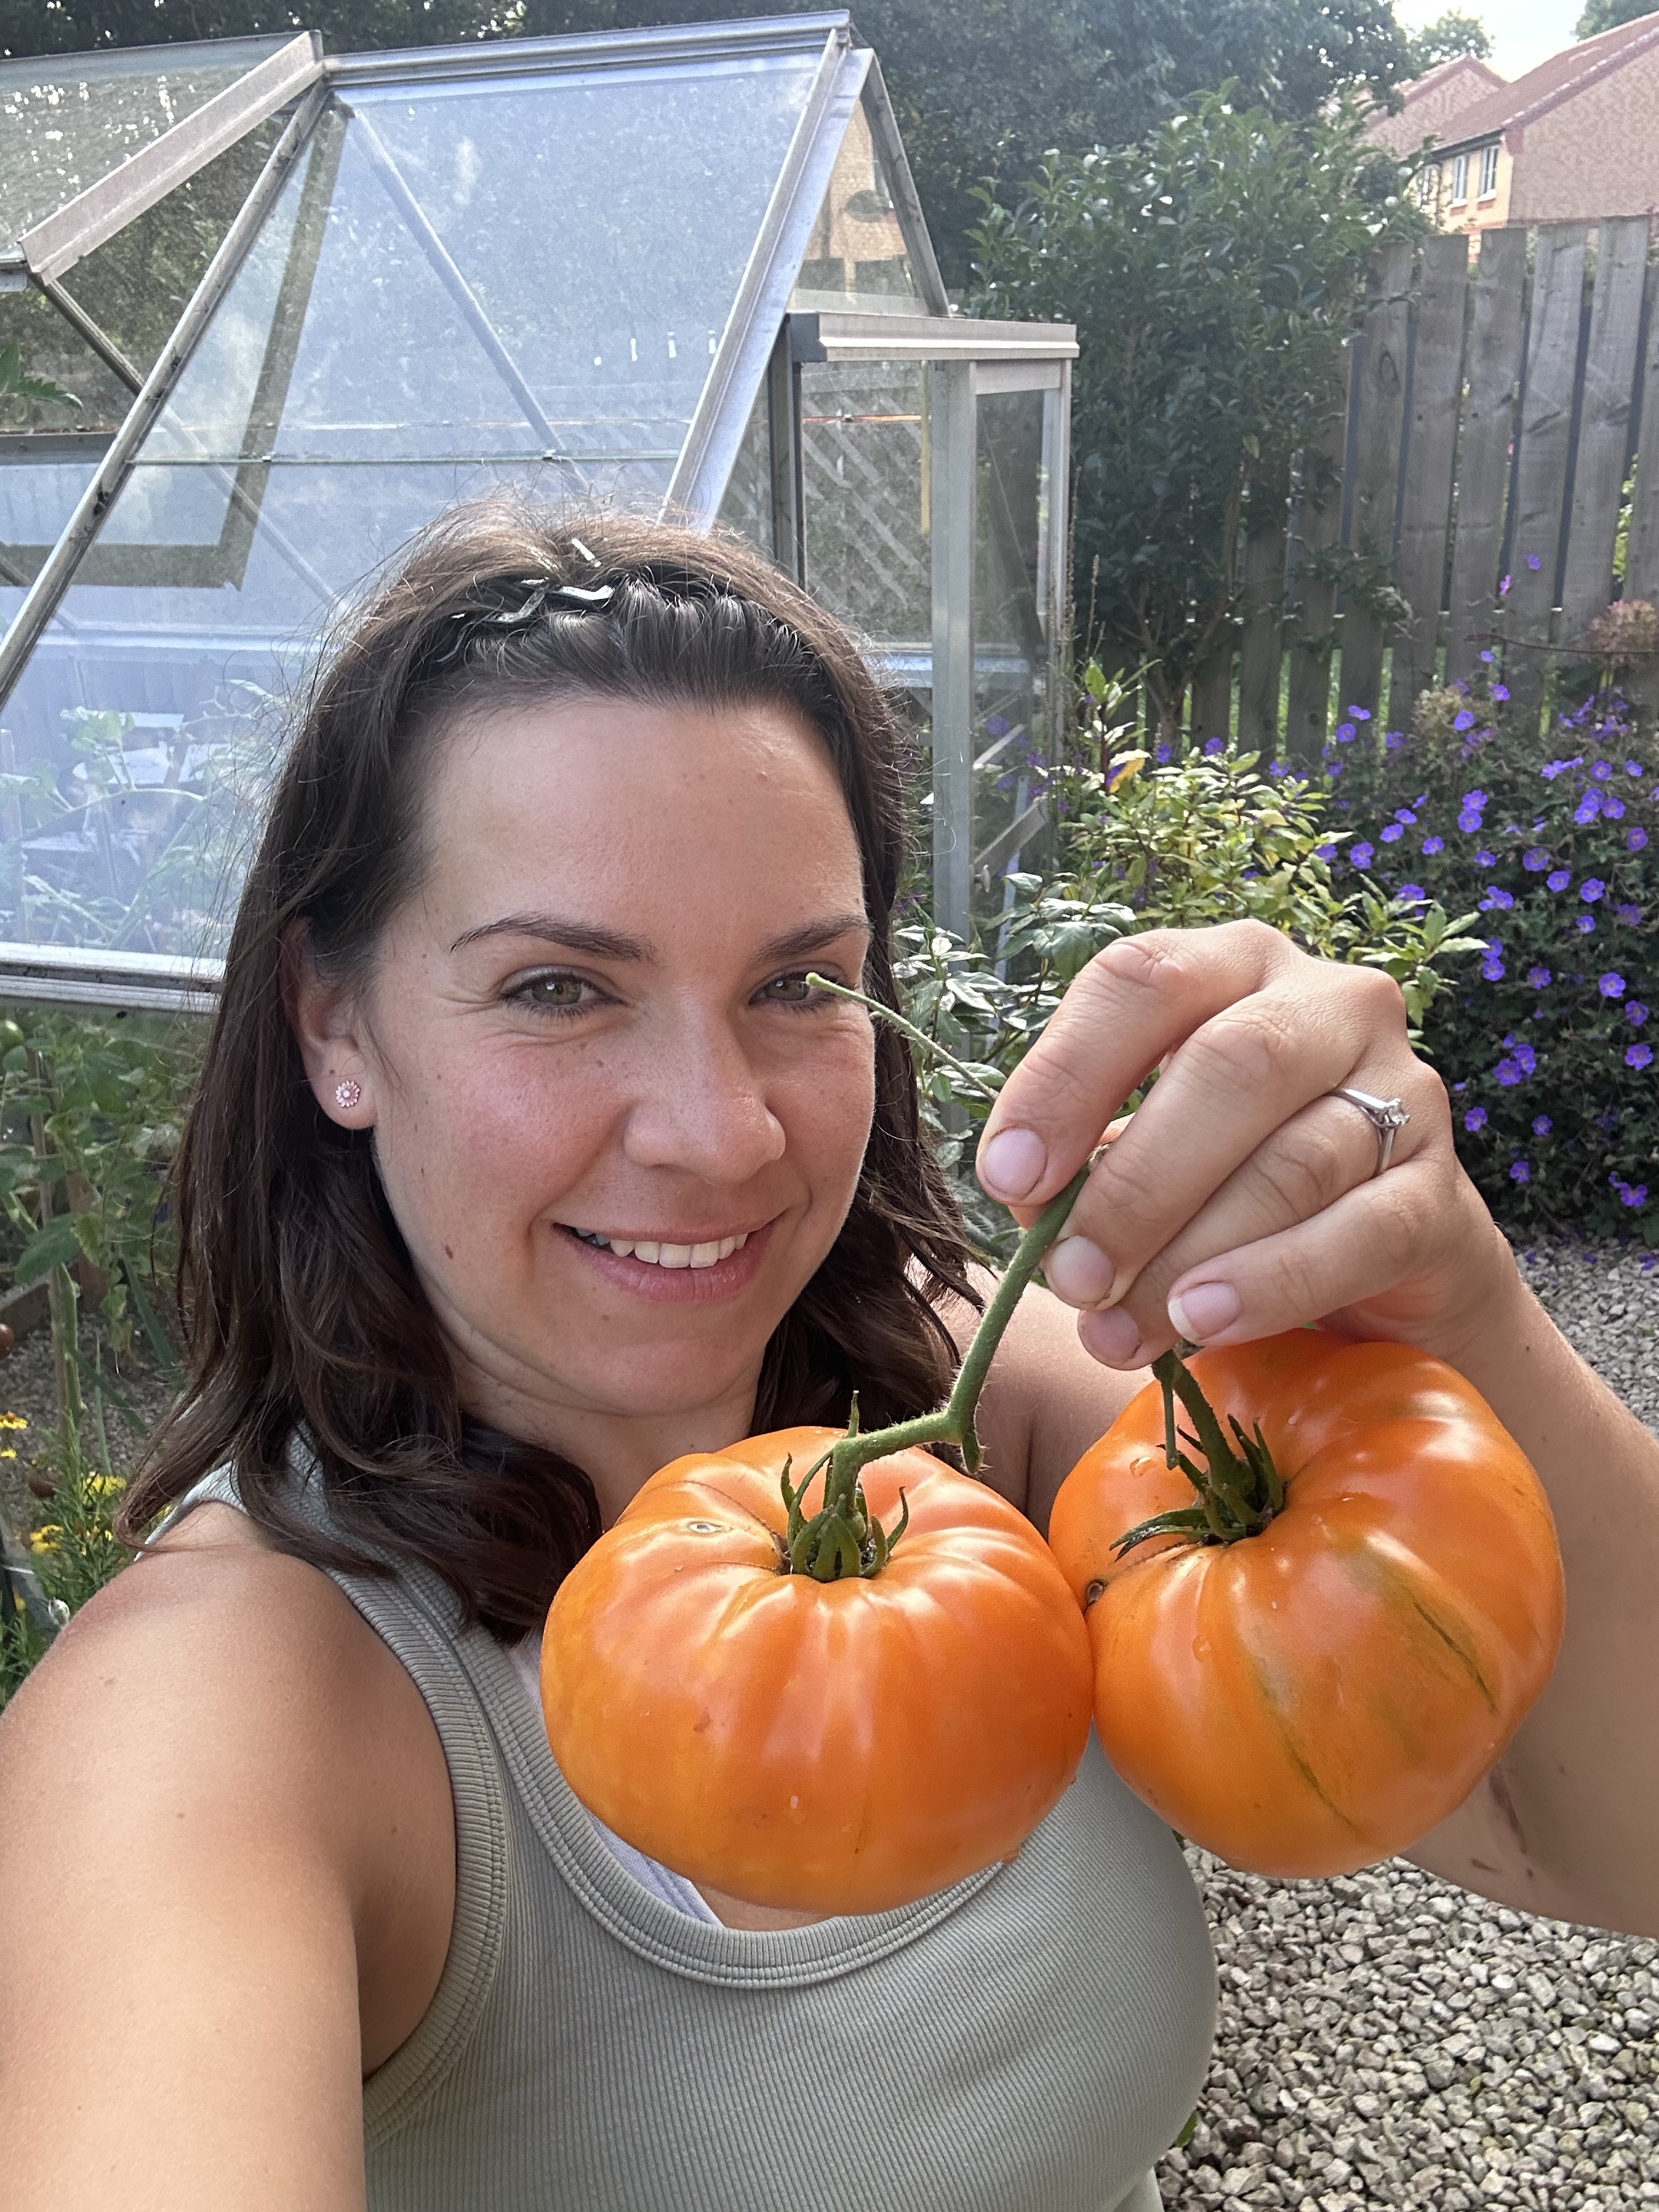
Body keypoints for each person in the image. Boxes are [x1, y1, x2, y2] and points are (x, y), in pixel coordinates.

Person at [0, 506, 1653, 2212]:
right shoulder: (217, 1712)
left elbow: (1599, 1840)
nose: (721, 1134)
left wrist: (1455, 1306)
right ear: (334, 1023)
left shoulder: (980, 1401)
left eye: (798, 983)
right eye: (559, 987)